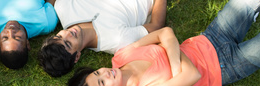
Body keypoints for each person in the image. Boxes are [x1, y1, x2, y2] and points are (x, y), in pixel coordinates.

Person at [67, 0, 260, 86]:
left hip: (209, 37)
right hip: (223, 68)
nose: (104, 73)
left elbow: (165, 32)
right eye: (102, 82)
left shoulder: (121, 57)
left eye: (97, 72)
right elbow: (193, 74)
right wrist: (168, 43)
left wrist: (174, 64)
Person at [39, 0, 167, 77]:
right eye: (68, 43)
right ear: (77, 56)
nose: (67, 33)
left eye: (59, 36)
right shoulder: (117, 41)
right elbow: (156, 26)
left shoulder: (63, 8)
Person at [0, 0, 58, 69]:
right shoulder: (46, 22)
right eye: (17, 37)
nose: (10, 31)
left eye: (5, 38)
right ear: (27, 43)